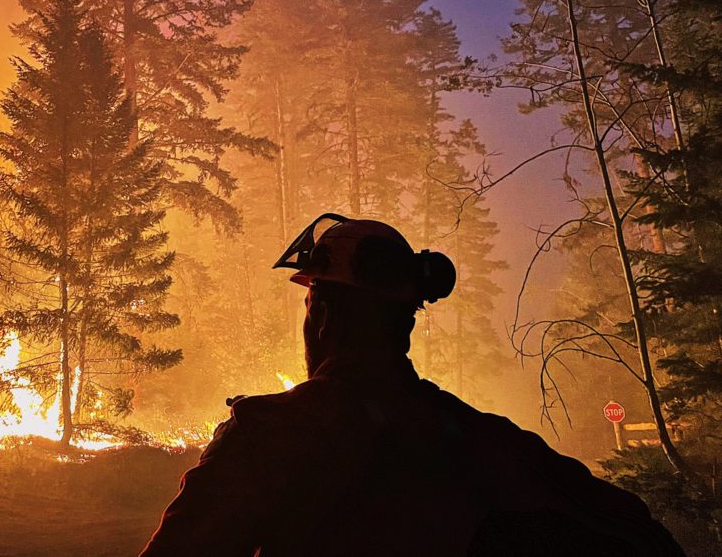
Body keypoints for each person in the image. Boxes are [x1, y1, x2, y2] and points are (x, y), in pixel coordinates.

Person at [140, 213, 683, 556]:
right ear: (405, 323)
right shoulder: (479, 437)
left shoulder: (267, 437)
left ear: (322, 318)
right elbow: (637, 535)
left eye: (308, 306)